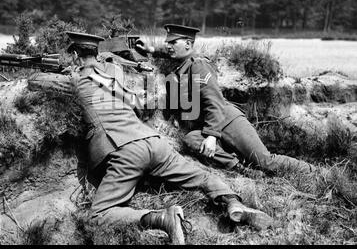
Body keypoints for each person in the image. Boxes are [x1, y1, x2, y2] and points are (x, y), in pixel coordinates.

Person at [29, 32, 273, 245]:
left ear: (74, 56)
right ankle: (233, 202)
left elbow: (36, 81)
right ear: (96, 53)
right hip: (155, 143)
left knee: (99, 213)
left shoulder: (76, 81)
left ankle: (162, 218)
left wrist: (67, 72)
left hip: (123, 151)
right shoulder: (113, 79)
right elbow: (131, 93)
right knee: (201, 177)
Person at [135, 24, 317, 176]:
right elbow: (169, 53)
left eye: (173, 42)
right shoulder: (185, 62)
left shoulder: (198, 65)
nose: (168, 46)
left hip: (227, 121)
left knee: (265, 161)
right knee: (191, 139)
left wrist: (212, 137)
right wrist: (151, 49)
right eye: (168, 42)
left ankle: (313, 171)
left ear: (189, 44)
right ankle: (242, 169)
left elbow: (213, 102)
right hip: (209, 124)